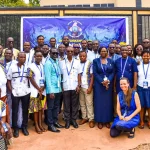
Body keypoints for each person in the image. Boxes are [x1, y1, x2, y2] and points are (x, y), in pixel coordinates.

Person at [7, 52, 30, 138]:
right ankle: (16, 128)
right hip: (15, 93)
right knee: (15, 111)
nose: (22, 59)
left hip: (25, 92)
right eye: (21, 57)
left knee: (25, 110)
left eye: (24, 57)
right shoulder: (12, 67)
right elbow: (8, 80)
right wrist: (11, 90)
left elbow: (30, 78)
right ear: (17, 58)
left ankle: (24, 127)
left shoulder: (28, 67)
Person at [59, 46, 82, 129]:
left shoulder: (77, 62)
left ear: (73, 52)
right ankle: (67, 120)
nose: (70, 53)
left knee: (74, 105)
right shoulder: (61, 62)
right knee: (66, 104)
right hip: (65, 86)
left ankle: (74, 120)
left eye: (71, 51)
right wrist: (61, 86)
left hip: (74, 86)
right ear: (66, 51)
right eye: (68, 51)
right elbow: (60, 75)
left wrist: (79, 85)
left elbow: (79, 74)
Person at [93, 47, 115, 129]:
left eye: (105, 51)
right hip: (99, 84)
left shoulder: (111, 61)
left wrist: (108, 80)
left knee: (108, 103)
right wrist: (102, 81)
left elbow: (113, 72)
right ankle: (99, 121)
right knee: (99, 103)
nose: (103, 52)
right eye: (102, 51)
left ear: (107, 52)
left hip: (108, 85)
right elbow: (95, 73)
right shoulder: (95, 61)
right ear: (99, 52)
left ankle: (107, 120)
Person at [44, 48, 64, 133]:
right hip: (52, 90)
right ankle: (50, 124)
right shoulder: (48, 63)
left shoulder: (56, 62)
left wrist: (60, 88)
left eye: (56, 53)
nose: (55, 54)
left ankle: (55, 121)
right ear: (50, 53)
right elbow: (47, 78)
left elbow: (58, 75)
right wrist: (50, 91)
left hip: (58, 89)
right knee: (51, 108)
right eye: (53, 53)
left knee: (56, 107)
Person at [28, 51, 47, 134]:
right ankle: (36, 125)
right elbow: (30, 78)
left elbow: (45, 78)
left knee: (40, 109)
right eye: (37, 56)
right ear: (34, 57)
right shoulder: (30, 66)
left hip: (42, 91)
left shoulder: (43, 66)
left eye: (40, 56)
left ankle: (40, 124)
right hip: (34, 91)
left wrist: (42, 89)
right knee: (36, 110)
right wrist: (38, 89)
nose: (39, 57)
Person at [79, 51, 94, 128]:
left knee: (89, 103)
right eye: (80, 56)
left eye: (83, 56)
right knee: (82, 103)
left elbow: (92, 76)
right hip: (80, 86)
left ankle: (91, 119)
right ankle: (84, 117)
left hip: (87, 86)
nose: (82, 57)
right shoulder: (78, 63)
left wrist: (90, 87)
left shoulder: (90, 63)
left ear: (86, 56)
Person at [137, 50, 150, 129]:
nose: (146, 57)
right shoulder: (138, 65)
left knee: (149, 106)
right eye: (144, 56)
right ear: (142, 56)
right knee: (141, 105)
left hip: (149, 87)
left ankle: (149, 121)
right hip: (140, 87)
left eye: (148, 56)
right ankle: (141, 121)